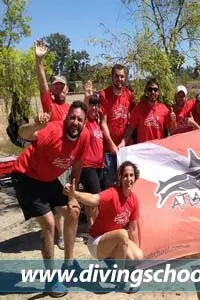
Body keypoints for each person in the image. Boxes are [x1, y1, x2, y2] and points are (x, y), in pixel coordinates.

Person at [12, 101, 90, 297]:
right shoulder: (53, 131)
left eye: (80, 119)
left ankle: (69, 264)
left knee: (73, 210)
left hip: (48, 178)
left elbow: (78, 163)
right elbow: (22, 134)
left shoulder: (84, 136)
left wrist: (73, 190)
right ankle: (50, 280)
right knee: (49, 223)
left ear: (85, 122)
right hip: (26, 176)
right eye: (72, 117)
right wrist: (35, 126)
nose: (75, 122)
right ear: (66, 118)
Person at [65, 161, 143, 269]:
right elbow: (93, 199)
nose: (129, 179)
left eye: (131, 175)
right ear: (120, 178)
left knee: (138, 256)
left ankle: (114, 264)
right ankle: (120, 277)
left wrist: (135, 263)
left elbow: (133, 230)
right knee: (123, 234)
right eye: (125, 176)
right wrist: (75, 194)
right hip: (96, 242)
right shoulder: (112, 193)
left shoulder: (134, 200)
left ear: (135, 178)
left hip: (113, 240)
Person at [35, 39, 71, 251]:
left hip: (67, 161)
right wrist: (39, 62)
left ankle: (63, 232)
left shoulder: (71, 109)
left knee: (66, 200)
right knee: (58, 203)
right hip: (53, 160)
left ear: (66, 88)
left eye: (62, 85)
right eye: (55, 86)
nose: (59, 89)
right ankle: (57, 234)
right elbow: (42, 86)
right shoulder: (51, 107)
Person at [100, 64, 134, 188]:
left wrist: (125, 140)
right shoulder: (104, 95)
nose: (119, 79)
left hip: (124, 147)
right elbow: (103, 122)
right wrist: (111, 144)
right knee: (109, 183)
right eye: (116, 76)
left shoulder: (128, 94)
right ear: (112, 77)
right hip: (109, 149)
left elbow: (132, 119)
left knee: (125, 182)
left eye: (122, 76)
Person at [123, 78, 176, 143]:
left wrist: (173, 121)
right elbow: (130, 129)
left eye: (155, 90)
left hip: (158, 148)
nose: (153, 92)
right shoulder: (139, 108)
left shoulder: (164, 109)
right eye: (150, 89)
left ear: (158, 92)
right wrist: (122, 144)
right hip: (142, 149)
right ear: (146, 92)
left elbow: (172, 132)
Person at [79, 94, 104, 228]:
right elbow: (82, 110)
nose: (94, 107)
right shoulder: (86, 122)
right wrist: (87, 95)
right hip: (88, 166)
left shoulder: (97, 123)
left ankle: (91, 225)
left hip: (99, 166)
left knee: (91, 198)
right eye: (92, 104)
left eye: (97, 105)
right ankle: (93, 226)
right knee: (95, 197)